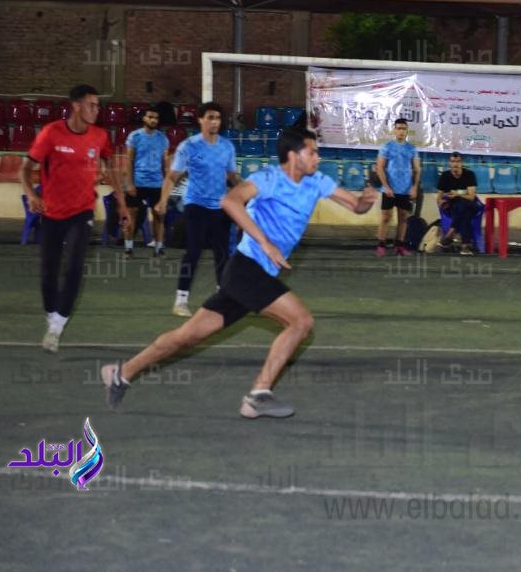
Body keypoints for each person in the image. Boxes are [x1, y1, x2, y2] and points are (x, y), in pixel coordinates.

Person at [101, 129, 377, 418]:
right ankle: (259, 394)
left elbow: (355, 206)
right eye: (312, 152)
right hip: (246, 268)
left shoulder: (318, 181)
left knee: (187, 336)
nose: (318, 157)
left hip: (252, 276)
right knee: (301, 321)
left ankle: (122, 372)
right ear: (294, 156)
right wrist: (265, 242)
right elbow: (230, 201)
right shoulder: (268, 179)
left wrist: (365, 202)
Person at [19, 84, 129, 353]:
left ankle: (56, 327)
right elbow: (25, 169)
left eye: (98, 105)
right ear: (76, 106)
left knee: (75, 266)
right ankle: (51, 315)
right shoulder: (51, 133)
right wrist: (31, 195)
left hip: (82, 212)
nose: (96, 110)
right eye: (92, 105)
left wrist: (122, 203)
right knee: (49, 271)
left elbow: (110, 168)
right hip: (52, 213)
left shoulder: (100, 135)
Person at [155, 102, 240, 316]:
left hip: (220, 206)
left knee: (222, 254)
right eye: (210, 117)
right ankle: (180, 300)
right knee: (193, 252)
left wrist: (246, 197)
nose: (214, 122)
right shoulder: (189, 146)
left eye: (218, 118)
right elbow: (173, 176)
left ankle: (223, 298)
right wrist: (163, 200)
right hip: (196, 205)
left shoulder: (227, 147)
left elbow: (232, 177)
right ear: (200, 120)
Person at [123, 105, 170, 258]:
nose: (153, 120)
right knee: (132, 215)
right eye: (150, 117)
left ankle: (159, 248)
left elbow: (166, 163)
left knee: (158, 216)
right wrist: (129, 183)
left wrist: (167, 185)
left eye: (155, 118)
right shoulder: (134, 136)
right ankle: (128, 248)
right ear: (144, 118)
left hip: (157, 184)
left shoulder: (163, 139)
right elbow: (128, 161)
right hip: (137, 183)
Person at [375, 118, 420, 257]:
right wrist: (386, 186)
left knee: (403, 218)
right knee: (386, 218)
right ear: (394, 130)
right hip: (390, 189)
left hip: (406, 189)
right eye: (398, 128)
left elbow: (417, 169)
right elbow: (380, 168)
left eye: (403, 128)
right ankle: (381, 245)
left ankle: (399, 246)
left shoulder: (412, 149)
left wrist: (414, 187)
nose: (401, 131)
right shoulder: (386, 147)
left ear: (407, 131)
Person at [436, 151, 480, 255]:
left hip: (469, 203)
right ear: (449, 163)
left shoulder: (469, 174)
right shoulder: (445, 176)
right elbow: (439, 197)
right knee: (465, 213)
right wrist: (441, 202)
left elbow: (471, 197)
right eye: (453, 161)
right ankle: (465, 246)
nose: (455, 164)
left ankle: (450, 234)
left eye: (458, 161)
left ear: (462, 163)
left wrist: (457, 194)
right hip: (452, 206)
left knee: (463, 205)